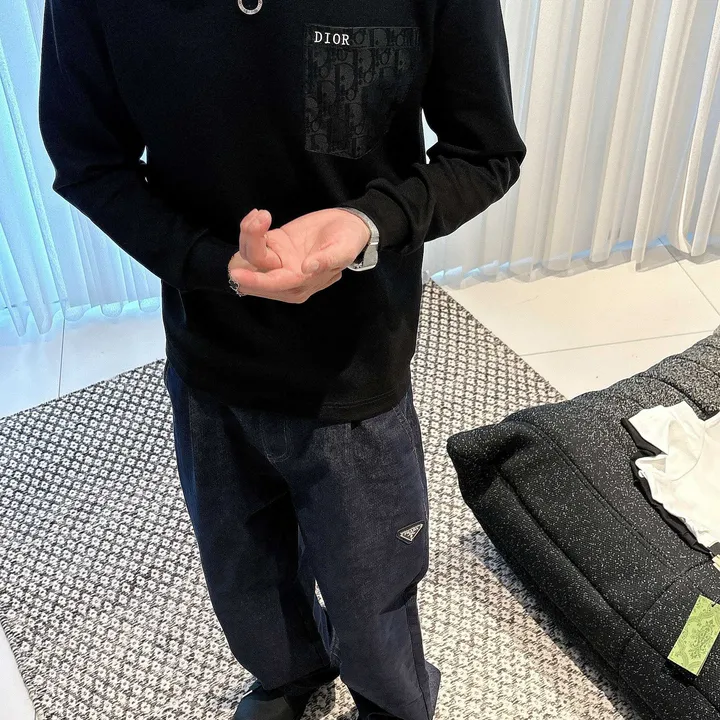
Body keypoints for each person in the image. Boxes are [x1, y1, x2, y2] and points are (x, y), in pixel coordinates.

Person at [38, 0, 526, 717]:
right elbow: (89, 161)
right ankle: (290, 676)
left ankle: (393, 707)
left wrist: (367, 222)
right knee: (243, 574)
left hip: (358, 362)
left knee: (374, 587)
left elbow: (484, 152)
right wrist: (211, 264)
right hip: (209, 356)